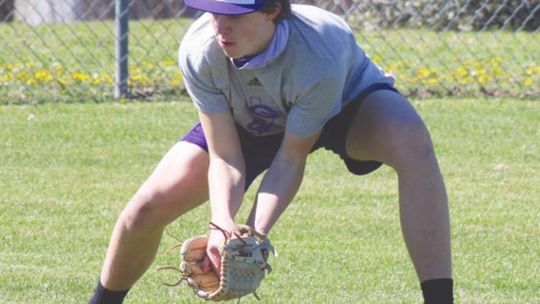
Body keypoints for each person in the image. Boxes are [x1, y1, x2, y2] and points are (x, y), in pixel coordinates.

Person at [88, 0, 453, 303]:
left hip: (345, 103)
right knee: (146, 207)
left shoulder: (319, 52)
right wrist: (223, 228)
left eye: (234, 14)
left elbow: (291, 157)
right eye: (215, 12)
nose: (220, 26)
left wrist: (254, 235)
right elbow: (225, 157)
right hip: (250, 117)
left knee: (412, 142)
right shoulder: (200, 50)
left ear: (272, 10)